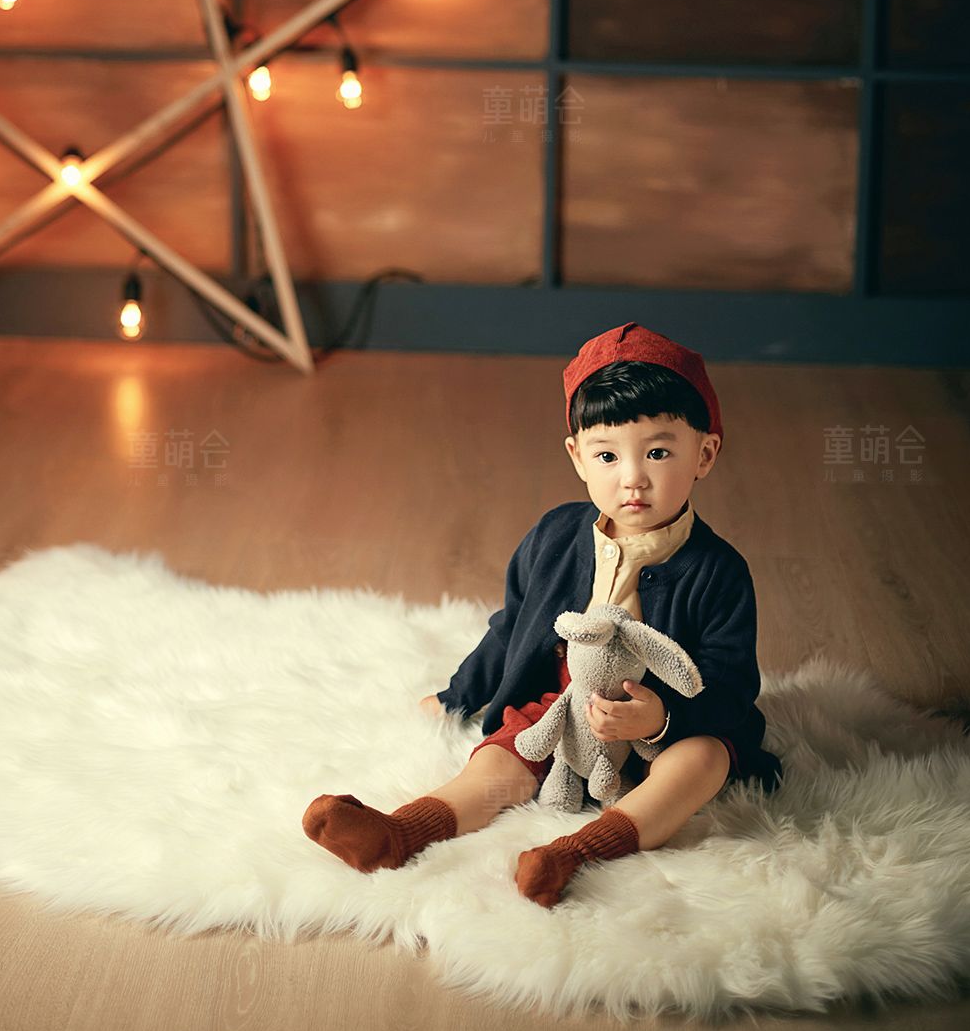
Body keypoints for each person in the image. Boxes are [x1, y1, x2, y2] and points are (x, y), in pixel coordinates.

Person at [302, 322, 784, 908]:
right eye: (607, 455)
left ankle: (576, 853)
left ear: (704, 453)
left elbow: (731, 684)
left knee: (702, 761)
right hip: (562, 702)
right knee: (500, 762)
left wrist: (660, 718)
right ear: (577, 457)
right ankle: (402, 832)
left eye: (658, 452)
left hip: (668, 723)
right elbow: (511, 627)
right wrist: (458, 694)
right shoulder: (555, 536)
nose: (632, 477)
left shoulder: (719, 571)